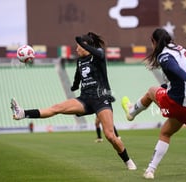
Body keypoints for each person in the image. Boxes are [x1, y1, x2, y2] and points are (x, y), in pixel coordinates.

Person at [11, 32, 137, 170]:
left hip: (101, 99)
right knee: (56, 108)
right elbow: (78, 76)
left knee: (110, 136)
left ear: (86, 46)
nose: (77, 49)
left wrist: (82, 42)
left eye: (79, 46)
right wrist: (75, 85)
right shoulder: (80, 61)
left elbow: (98, 53)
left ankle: (128, 160)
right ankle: (23, 113)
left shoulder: (98, 54)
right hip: (85, 99)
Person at [121, 28, 186, 179]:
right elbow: (175, 78)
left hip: (178, 103)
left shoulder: (164, 55)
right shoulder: (180, 49)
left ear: (154, 41)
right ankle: (150, 170)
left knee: (152, 90)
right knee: (165, 132)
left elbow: (174, 68)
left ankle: (131, 112)